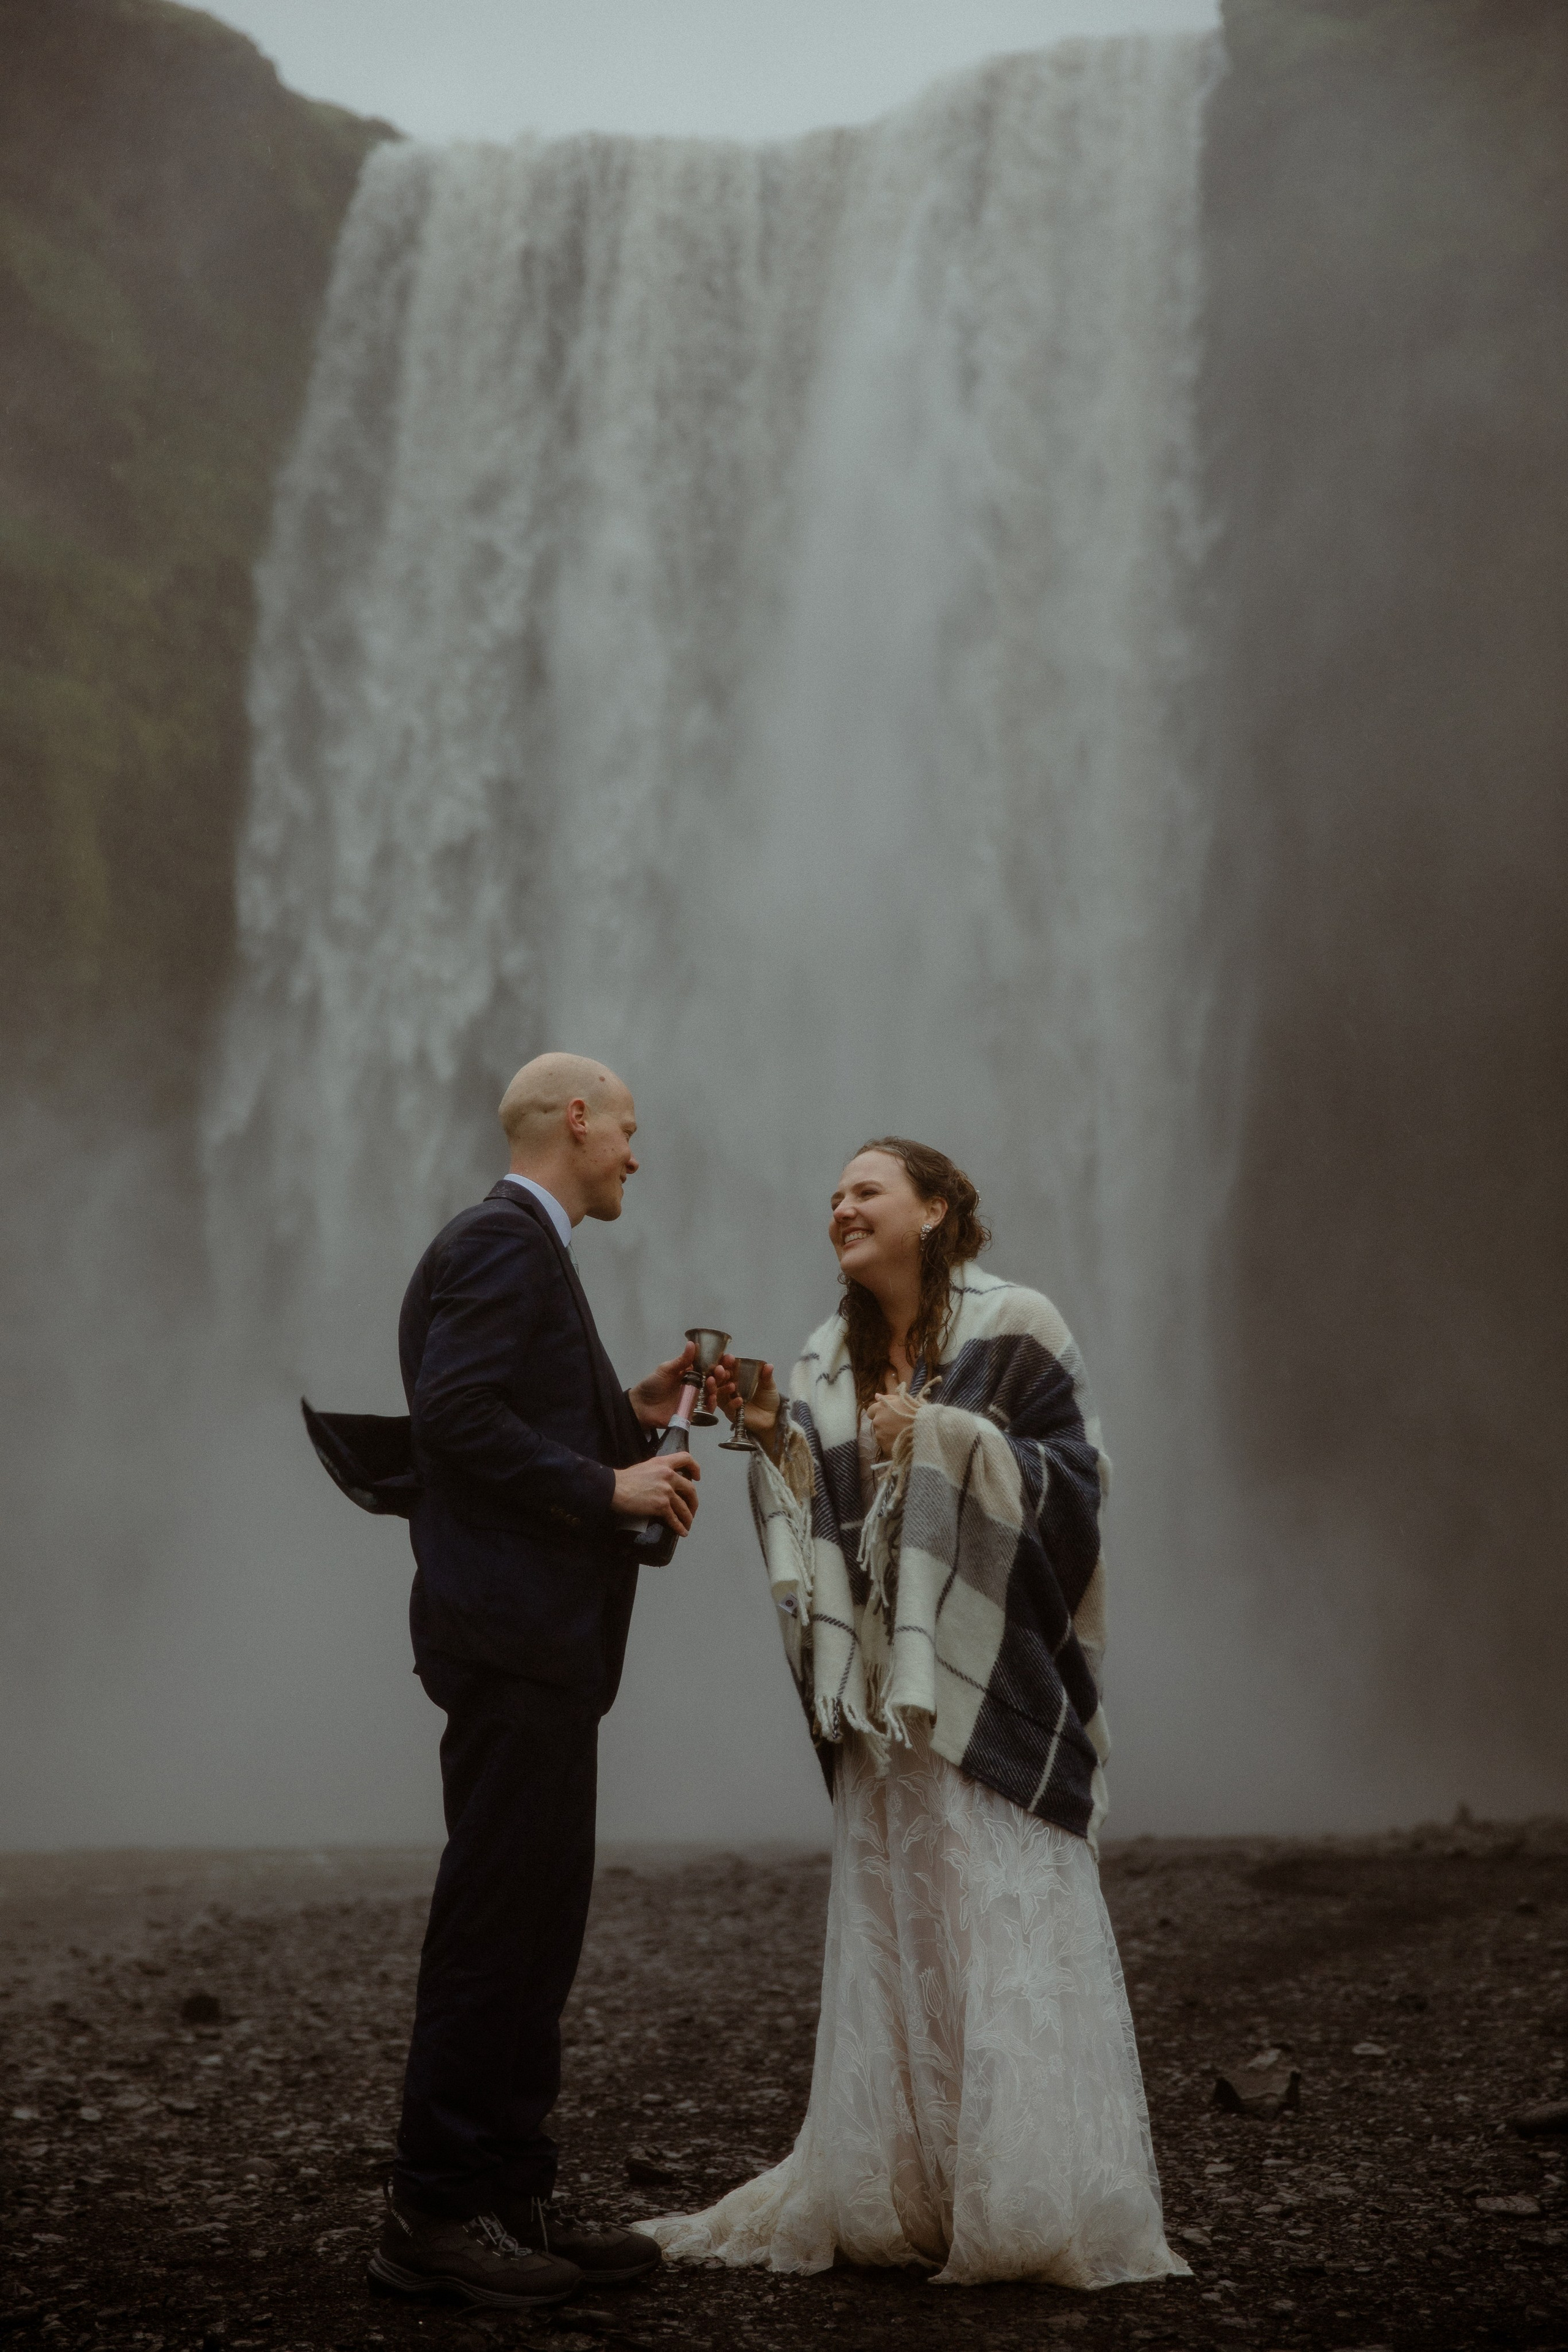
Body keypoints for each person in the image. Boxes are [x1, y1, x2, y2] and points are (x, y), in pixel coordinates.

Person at [646, 1137, 1187, 2291]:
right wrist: (770, 1431)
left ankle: (1023, 2196)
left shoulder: (1021, 1324)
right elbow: (815, 1499)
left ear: (936, 1209)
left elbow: (1080, 1484)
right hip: (885, 1708)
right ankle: (916, 2191)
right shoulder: (826, 1355)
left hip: (988, 1682)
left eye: (867, 1190)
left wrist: (945, 1437)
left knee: (993, 1927)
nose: (839, 1206)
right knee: (909, 1938)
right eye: (832, 1195)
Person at [370, 1054, 704, 2312]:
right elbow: (452, 1416)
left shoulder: (516, 1252)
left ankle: (510, 2190)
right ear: (576, 1119)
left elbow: (498, 1413)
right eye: (628, 1127)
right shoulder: (504, 1242)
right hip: (512, 1639)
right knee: (495, 1920)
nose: (634, 1152)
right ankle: (432, 2212)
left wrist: (629, 1413)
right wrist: (605, 1485)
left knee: (536, 1920)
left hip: (539, 1647)